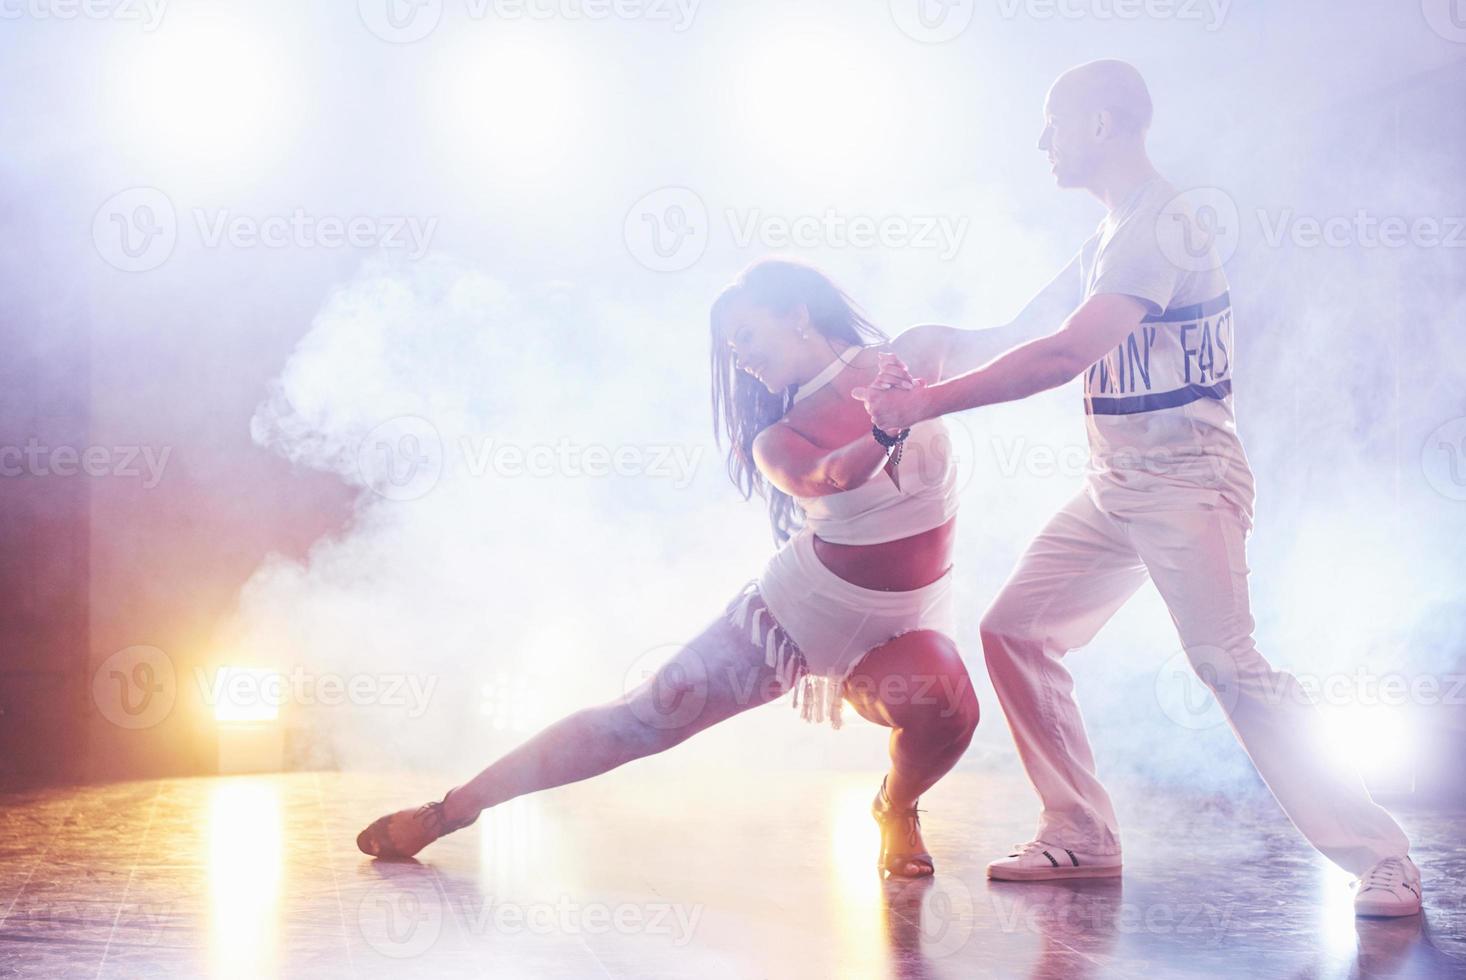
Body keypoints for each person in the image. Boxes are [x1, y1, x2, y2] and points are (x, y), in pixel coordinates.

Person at [853, 59, 1421, 917]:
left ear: (1102, 125)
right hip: (1116, 487)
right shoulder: (1111, 234)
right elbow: (1018, 334)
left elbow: (1065, 353)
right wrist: (928, 349)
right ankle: (1079, 828)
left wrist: (925, 403)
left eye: (1054, 122)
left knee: (1226, 665)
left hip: (1188, 484)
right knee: (1015, 630)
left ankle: (1384, 857)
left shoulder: (1165, 224)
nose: (1041, 141)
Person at [356, 258, 1011, 878]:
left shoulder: (913, 355)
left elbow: (1030, 337)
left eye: (747, 335)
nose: (741, 358)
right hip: (798, 613)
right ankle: (451, 810)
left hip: (907, 618)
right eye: (732, 350)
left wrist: (1113, 264)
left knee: (947, 700)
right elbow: (829, 475)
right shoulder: (774, 439)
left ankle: (895, 808)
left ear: (799, 316)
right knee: (641, 719)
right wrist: (888, 429)